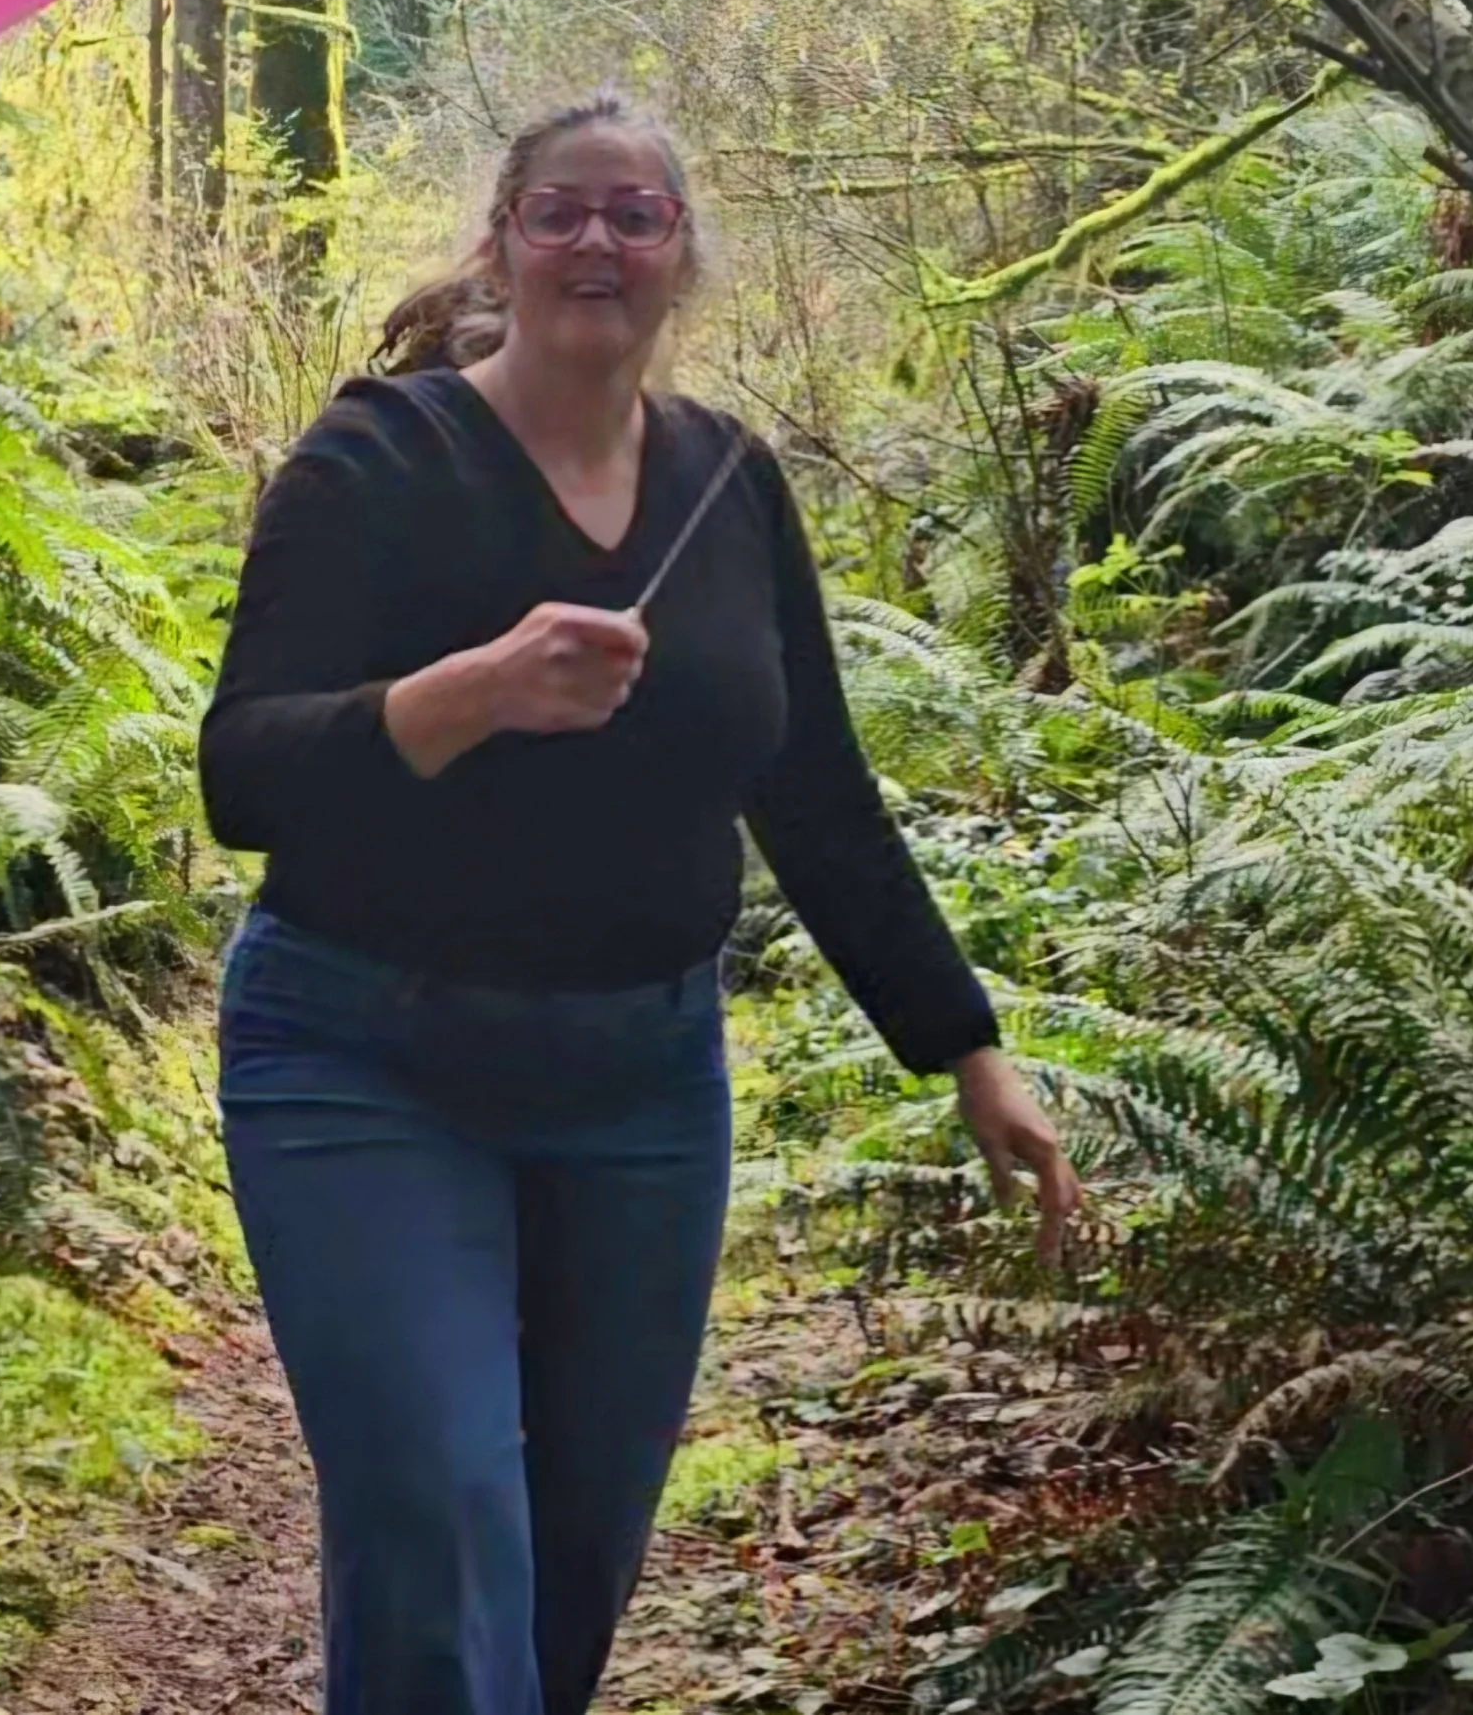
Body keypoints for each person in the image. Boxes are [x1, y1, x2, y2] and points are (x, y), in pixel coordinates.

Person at [198, 91, 1080, 1715]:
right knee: (443, 1508)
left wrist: (967, 1045)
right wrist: (461, 693)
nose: (597, 241)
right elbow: (241, 773)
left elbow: (813, 785)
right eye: (561, 212)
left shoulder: (729, 480)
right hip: (363, 1060)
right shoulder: (376, 460)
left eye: (637, 214)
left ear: (684, 260)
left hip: (641, 1087)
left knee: (576, 1549)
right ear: (502, 242)